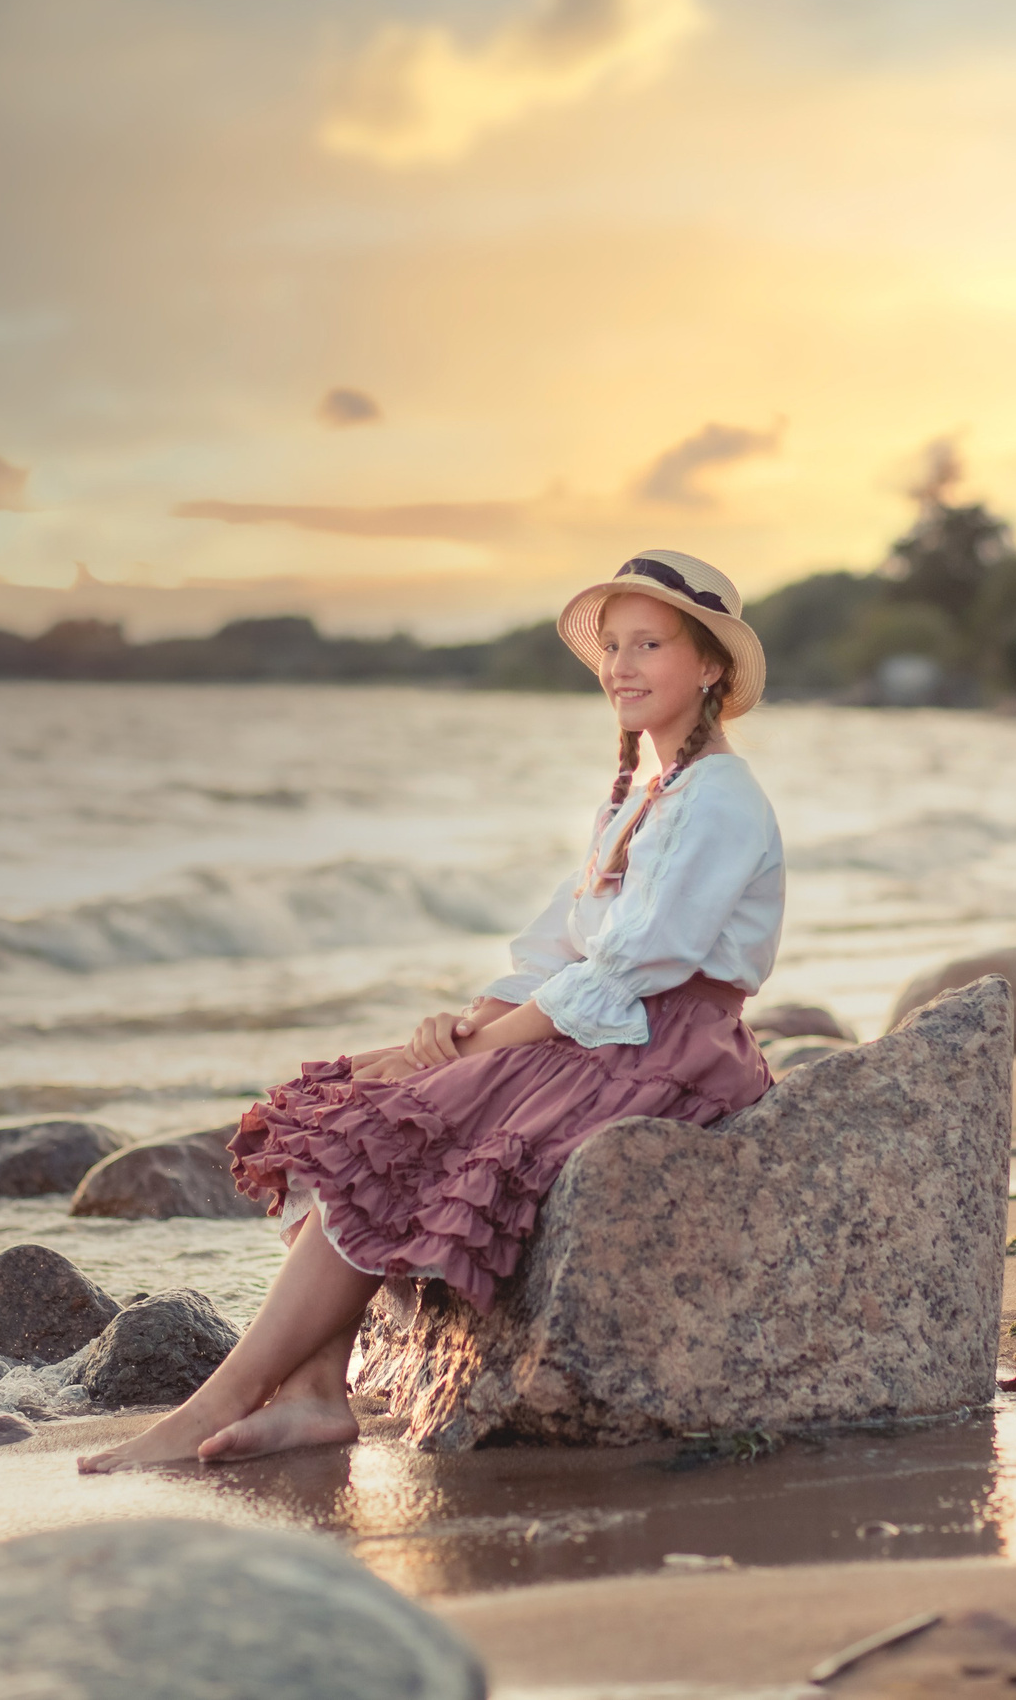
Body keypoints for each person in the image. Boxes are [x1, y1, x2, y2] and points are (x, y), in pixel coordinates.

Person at [80, 549, 785, 1471]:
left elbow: (630, 969)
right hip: (597, 1023)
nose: (620, 665)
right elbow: (556, 947)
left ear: (712, 667)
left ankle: (219, 1397)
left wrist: (477, 1050)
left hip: (657, 1044)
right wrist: (452, 1029)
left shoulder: (721, 798)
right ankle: (311, 1393)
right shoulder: (650, 794)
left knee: (395, 1126)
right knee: (343, 1097)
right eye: (612, 645)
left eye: (648, 643)